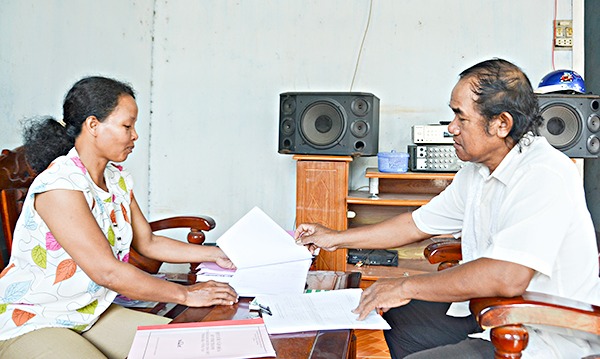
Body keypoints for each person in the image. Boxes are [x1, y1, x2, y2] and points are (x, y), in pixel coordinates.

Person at [296, 59, 600, 359]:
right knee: (389, 320)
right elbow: (415, 225)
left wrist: (405, 286)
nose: (451, 128)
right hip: (489, 314)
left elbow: (508, 276)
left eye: (460, 117)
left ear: (501, 124)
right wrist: (334, 238)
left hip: (544, 334)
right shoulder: (478, 172)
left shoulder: (545, 173)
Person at [0, 77, 239, 358]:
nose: (134, 135)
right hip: (34, 320)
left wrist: (217, 255)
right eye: (127, 126)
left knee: (195, 347)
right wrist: (186, 294)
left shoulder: (116, 179)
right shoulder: (60, 185)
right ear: (93, 126)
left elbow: (147, 242)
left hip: (89, 312)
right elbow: (107, 272)